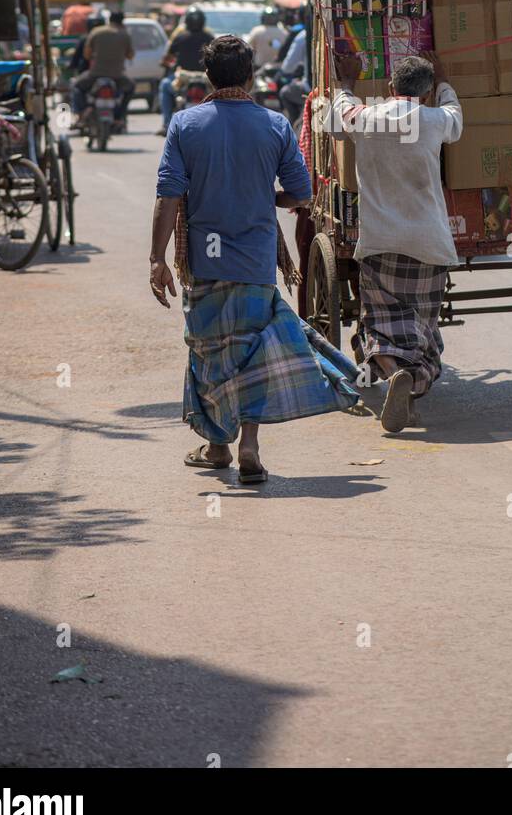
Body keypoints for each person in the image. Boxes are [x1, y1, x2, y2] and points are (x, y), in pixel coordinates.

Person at [151, 34, 359, 482]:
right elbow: (301, 195)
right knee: (252, 355)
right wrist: (266, 197)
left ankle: (217, 445)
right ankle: (249, 446)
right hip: (256, 261)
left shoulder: (185, 124)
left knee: (210, 354)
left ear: (208, 76)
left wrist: (157, 258)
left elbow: (169, 196)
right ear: (250, 75)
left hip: (206, 263)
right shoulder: (274, 125)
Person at [329, 50, 463, 433]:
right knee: (422, 331)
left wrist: (347, 82)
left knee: (378, 327)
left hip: (380, 243)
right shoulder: (436, 119)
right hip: (428, 244)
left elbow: (339, 113)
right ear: (425, 93)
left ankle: (393, 375)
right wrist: (446, 81)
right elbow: (456, 117)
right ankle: (412, 379)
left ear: (389, 88)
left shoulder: (366, 118)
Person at [157, 6, 214, 135]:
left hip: (183, 78)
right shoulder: (209, 37)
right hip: (206, 79)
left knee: (165, 85)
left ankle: (166, 124)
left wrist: (165, 63)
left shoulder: (180, 37)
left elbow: (168, 57)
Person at [71, 9, 135, 122]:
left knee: (76, 86)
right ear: (122, 21)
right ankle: (119, 116)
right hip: (117, 75)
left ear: (109, 20)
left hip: (95, 74)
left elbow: (86, 55)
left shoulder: (96, 32)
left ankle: (81, 112)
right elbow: (130, 56)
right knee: (131, 87)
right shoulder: (125, 35)